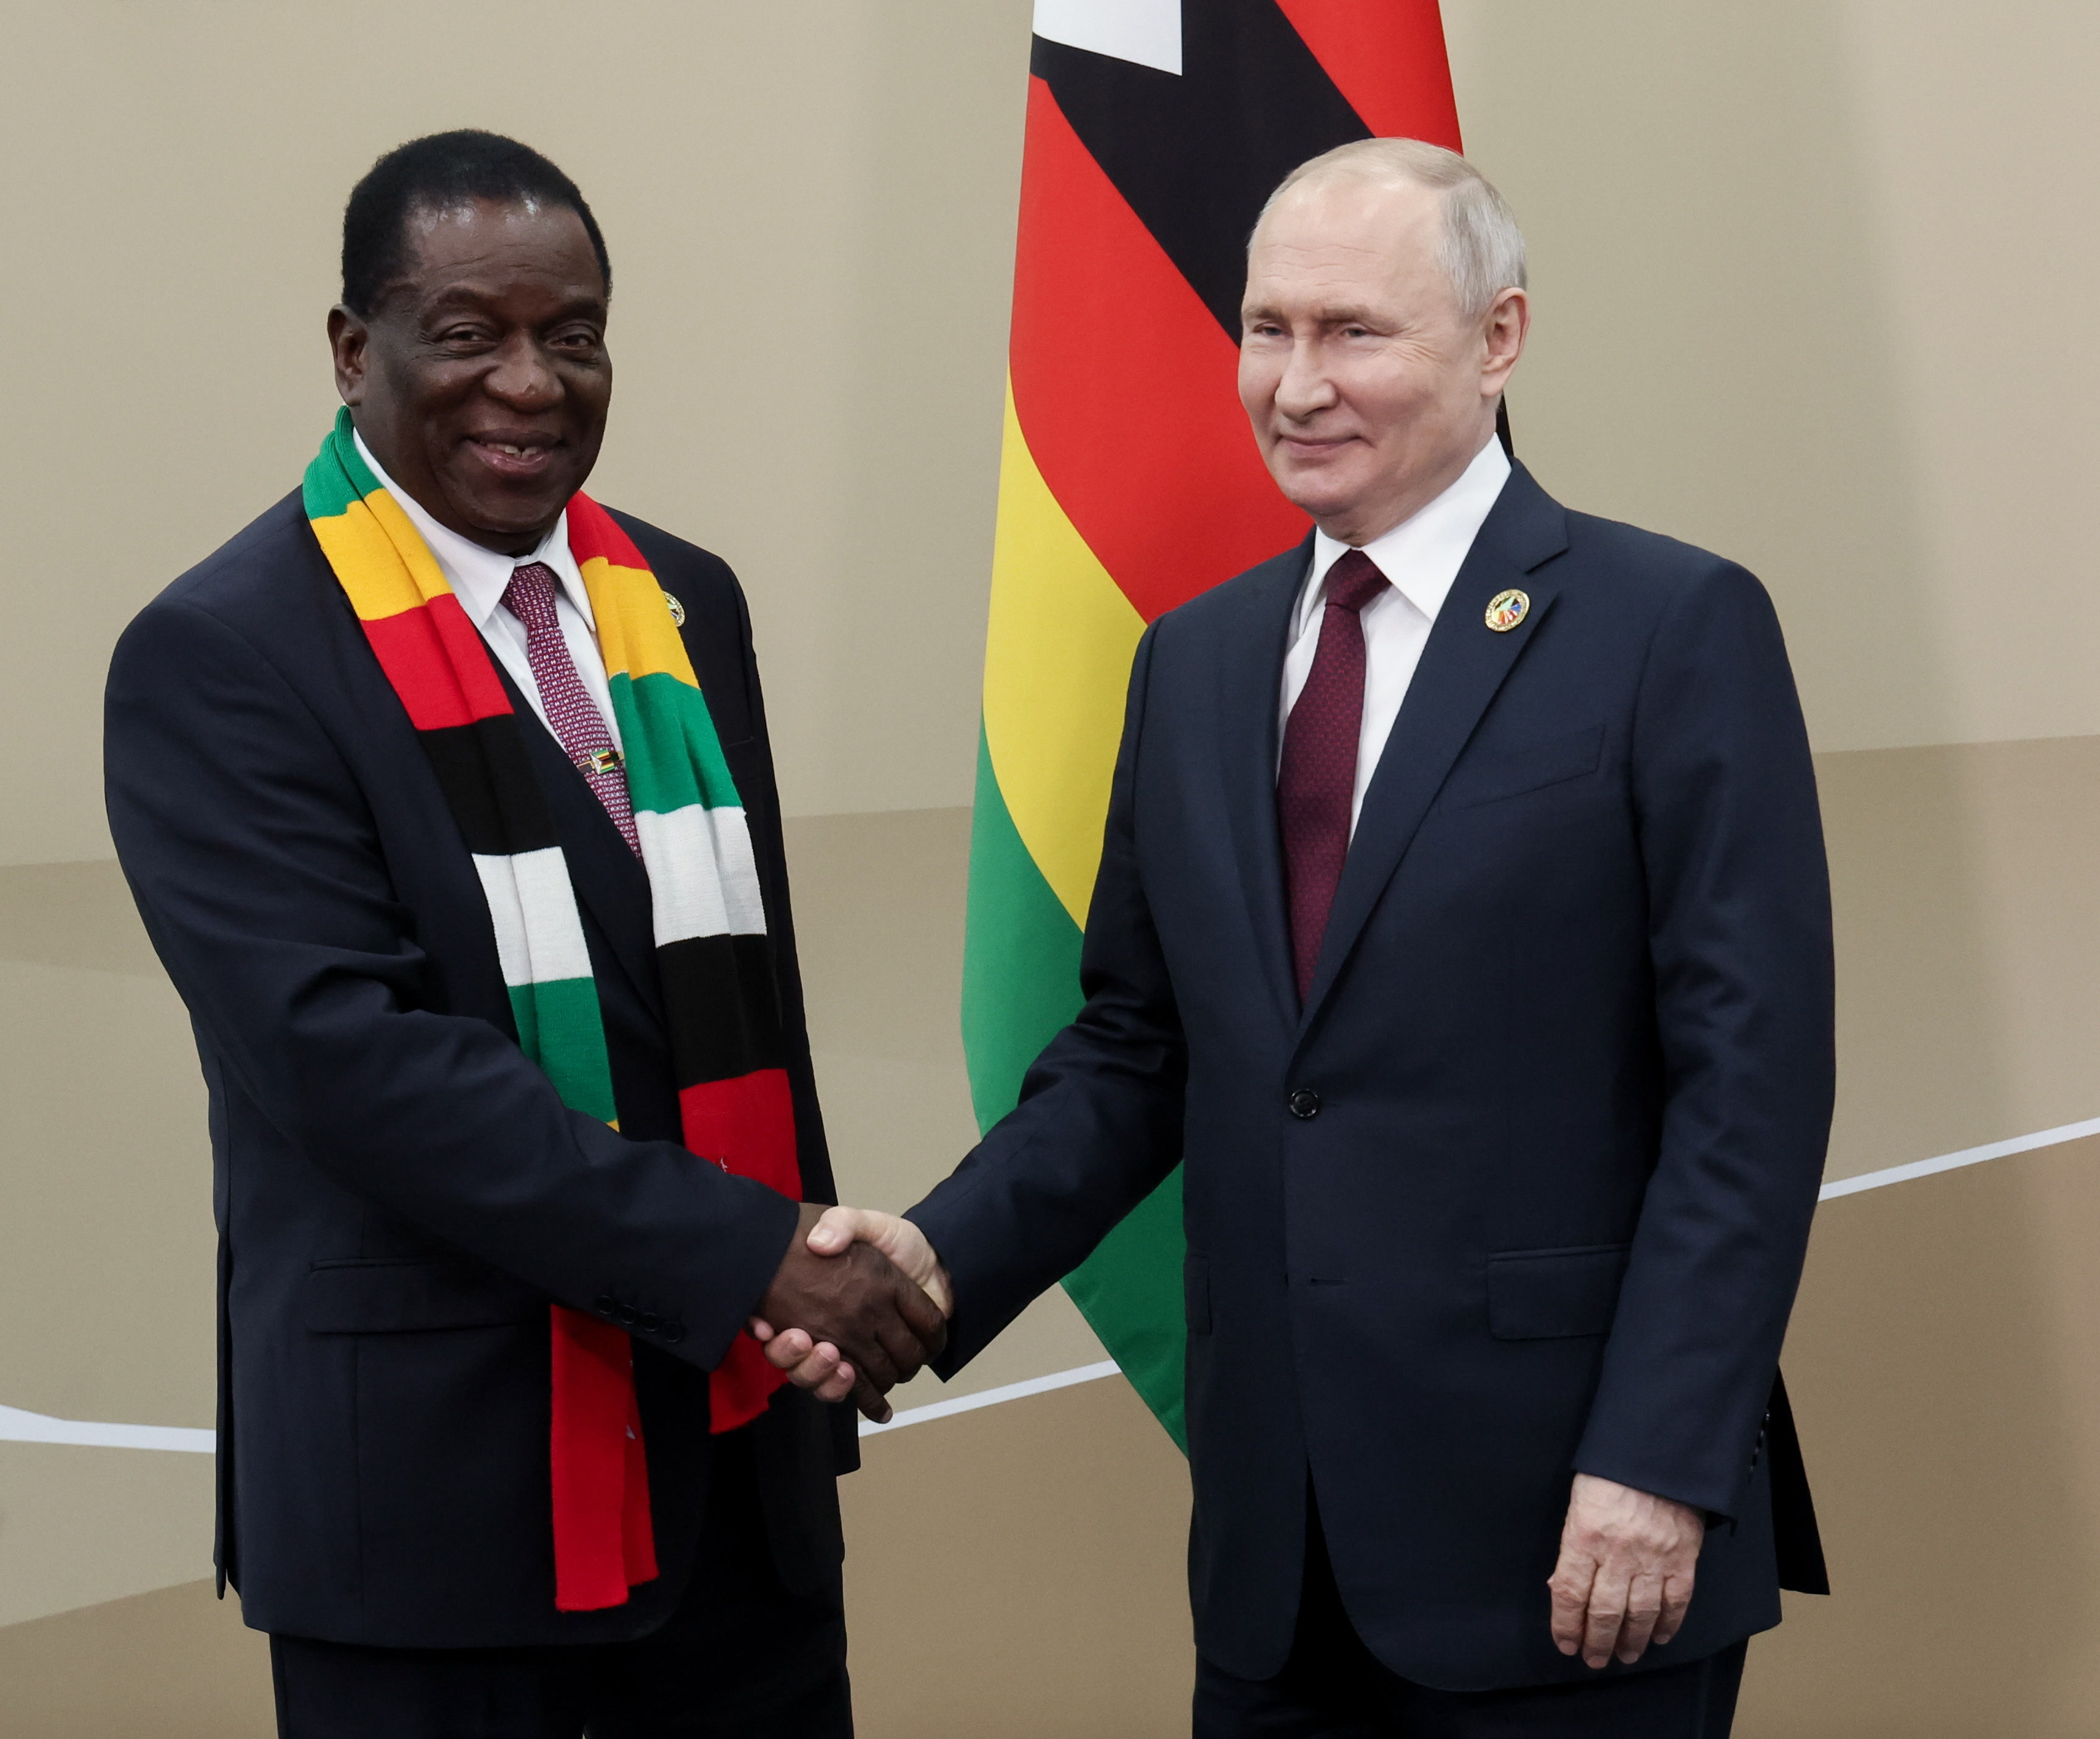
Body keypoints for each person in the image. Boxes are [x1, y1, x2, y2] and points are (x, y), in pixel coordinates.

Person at [768, 138, 1833, 1737]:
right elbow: (1138, 1050)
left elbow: (1749, 1096)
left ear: (1499, 340)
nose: (1294, 384)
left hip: (1576, 1533)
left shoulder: (1669, 630)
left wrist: (1659, 1465)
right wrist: (936, 1254)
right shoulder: (1194, 664)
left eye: (1354, 332)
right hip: (1281, 1557)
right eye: (1267, 329)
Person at [103, 130, 942, 1739]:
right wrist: (752, 1257)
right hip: (438, 1510)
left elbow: (739, 1010)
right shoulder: (224, 654)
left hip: (731, 1481)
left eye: (573, 334)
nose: (530, 383)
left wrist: (809, 1293)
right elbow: (356, 1070)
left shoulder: (685, 600)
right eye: (470, 332)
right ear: (358, 351)